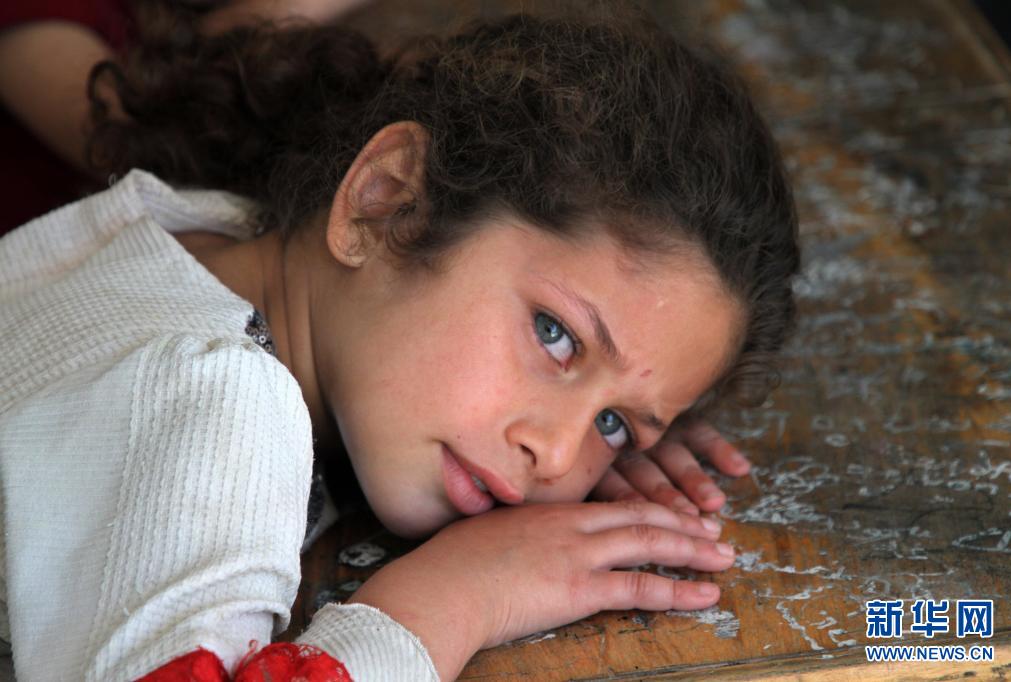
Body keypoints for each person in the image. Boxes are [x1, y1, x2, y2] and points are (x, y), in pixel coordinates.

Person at [0, 4, 801, 681]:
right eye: (555, 335)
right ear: (385, 202)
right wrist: (453, 600)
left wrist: (609, 406)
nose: (557, 457)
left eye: (614, 425)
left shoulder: (206, 236)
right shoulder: (215, 400)